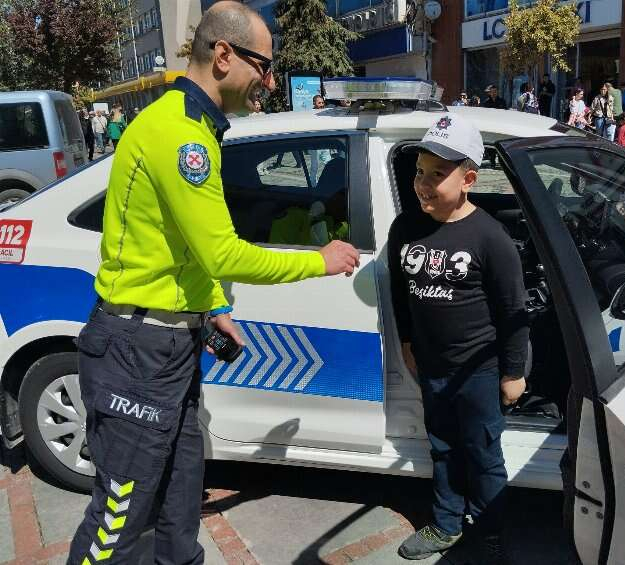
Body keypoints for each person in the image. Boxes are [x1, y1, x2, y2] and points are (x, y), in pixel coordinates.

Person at [66, 3, 360, 564]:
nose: (268, 82)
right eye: (263, 66)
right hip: (138, 353)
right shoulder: (183, 138)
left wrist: (213, 306)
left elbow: (185, 249)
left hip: (165, 347)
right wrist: (317, 262)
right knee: (118, 520)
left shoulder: (194, 127)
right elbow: (222, 251)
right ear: (223, 55)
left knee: (179, 508)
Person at [389, 114, 529, 562]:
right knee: (443, 447)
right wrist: (407, 343)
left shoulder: (490, 237)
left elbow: (513, 311)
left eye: (438, 174)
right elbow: (400, 295)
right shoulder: (405, 229)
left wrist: (513, 372)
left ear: (468, 179)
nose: (424, 184)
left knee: (483, 453)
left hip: (479, 371)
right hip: (432, 366)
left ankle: (489, 530)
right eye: (419, 171)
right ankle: (446, 523)